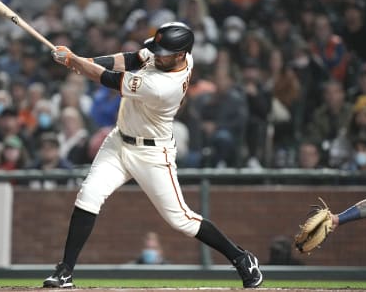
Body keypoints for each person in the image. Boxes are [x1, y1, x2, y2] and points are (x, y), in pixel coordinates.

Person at [43, 22, 263, 288]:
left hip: (152, 154)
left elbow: (109, 79)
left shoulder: (163, 85)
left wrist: (76, 62)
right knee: (88, 196)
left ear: (181, 55)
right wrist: (80, 60)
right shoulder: (175, 56)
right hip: (118, 142)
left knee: (181, 219)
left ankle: (241, 257)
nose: (157, 55)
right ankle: (65, 270)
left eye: (164, 52)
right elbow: (131, 58)